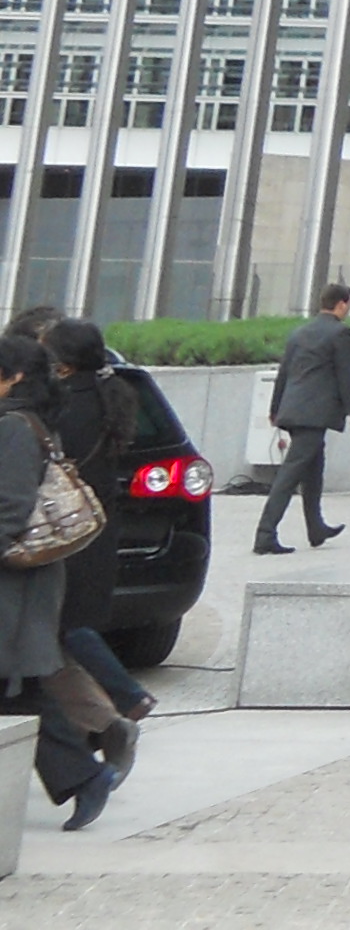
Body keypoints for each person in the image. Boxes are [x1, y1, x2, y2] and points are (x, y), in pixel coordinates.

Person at [0, 332, 120, 829]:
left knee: (16, 686)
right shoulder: (30, 421)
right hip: (22, 581)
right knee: (17, 691)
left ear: (15, 377)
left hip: (13, 584)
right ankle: (86, 777)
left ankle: (86, 775)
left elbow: (10, 508)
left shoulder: (14, 427)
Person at [43, 324, 150, 754]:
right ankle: (98, 721)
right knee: (66, 628)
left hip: (66, 534)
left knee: (63, 627)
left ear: (64, 365)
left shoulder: (63, 408)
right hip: (97, 531)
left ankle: (124, 697)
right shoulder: (106, 396)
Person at [253, 282, 350, 555]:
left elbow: (284, 372)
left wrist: (275, 409)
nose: (349, 309)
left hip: (293, 410)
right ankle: (265, 534)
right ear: (341, 304)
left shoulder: (299, 332)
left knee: (314, 470)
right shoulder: (341, 333)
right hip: (315, 414)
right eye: (349, 304)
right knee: (290, 475)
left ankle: (316, 528)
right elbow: (345, 374)